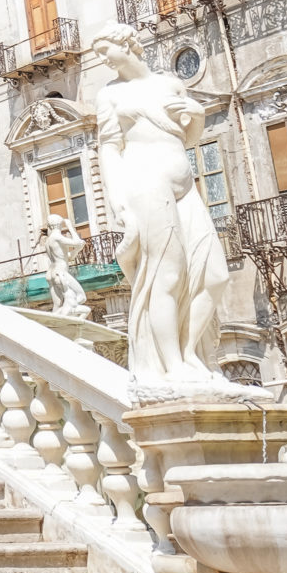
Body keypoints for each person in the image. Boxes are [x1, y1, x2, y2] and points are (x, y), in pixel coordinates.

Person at [91, 23, 225, 386]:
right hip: (144, 181)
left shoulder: (169, 84)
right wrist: (117, 200)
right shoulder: (110, 95)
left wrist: (196, 115)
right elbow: (108, 147)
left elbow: (187, 136)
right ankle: (172, 365)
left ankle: (189, 353)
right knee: (165, 275)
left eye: (106, 49)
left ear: (127, 43)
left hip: (184, 183)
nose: (102, 58)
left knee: (214, 275)